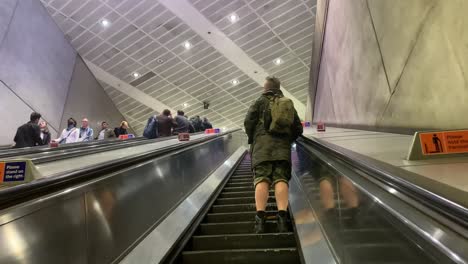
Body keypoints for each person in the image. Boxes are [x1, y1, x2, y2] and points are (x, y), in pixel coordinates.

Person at [244, 76, 303, 233]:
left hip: (261, 147)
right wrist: (287, 139)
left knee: (261, 179)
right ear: (278, 87)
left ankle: (260, 221)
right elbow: (298, 127)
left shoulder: (258, 101)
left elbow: (248, 122)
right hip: (282, 148)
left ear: (266, 88)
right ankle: (282, 219)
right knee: (281, 179)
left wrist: (253, 139)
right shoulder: (287, 103)